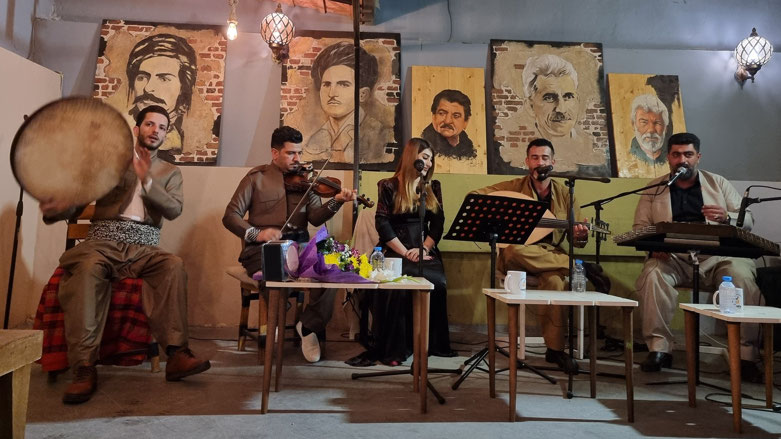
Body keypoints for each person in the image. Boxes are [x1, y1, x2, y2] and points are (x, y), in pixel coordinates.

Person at [40, 105, 210, 404]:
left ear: (166, 134)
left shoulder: (170, 172)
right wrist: (57, 208)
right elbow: (75, 204)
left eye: (161, 126)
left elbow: (173, 209)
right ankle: (84, 367)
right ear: (137, 129)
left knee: (173, 265)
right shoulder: (108, 162)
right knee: (89, 266)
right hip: (102, 242)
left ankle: (177, 356)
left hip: (144, 246)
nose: (155, 130)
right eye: (149, 124)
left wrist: (147, 181)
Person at [633, 132, 764, 382]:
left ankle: (746, 355)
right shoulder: (654, 188)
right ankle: (659, 349)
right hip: (674, 257)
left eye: (688, 154)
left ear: (698, 157)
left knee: (743, 279)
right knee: (652, 275)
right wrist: (652, 246)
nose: (682, 160)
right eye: (676, 155)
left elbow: (749, 220)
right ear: (668, 158)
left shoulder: (718, 183)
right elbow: (640, 227)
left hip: (719, 256)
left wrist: (726, 218)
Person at [222, 126, 356, 363]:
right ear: (275, 153)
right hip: (262, 250)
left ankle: (308, 326)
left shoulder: (307, 181)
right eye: (291, 153)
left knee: (337, 266)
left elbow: (315, 217)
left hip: (301, 248)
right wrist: (256, 234)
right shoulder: (256, 178)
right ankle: (274, 322)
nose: (298, 159)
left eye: (300, 153)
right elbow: (230, 216)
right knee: (274, 267)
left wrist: (336, 202)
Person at [472, 138, 589, 374]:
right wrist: (502, 215)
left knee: (556, 283)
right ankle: (573, 265)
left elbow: (578, 240)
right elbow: (476, 196)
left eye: (545, 158)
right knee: (515, 249)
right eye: (535, 158)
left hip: (549, 256)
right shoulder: (514, 186)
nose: (539, 162)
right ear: (527, 162)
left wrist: (581, 236)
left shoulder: (566, 195)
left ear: (553, 162)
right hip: (519, 255)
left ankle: (555, 350)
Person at [347, 138, 455, 367]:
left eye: (431, 159)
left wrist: (424, 248)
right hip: (396, 248)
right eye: (424, 157)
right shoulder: (388, 185)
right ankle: (395, 347)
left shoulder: (433, 187)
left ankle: (430, 344)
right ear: (411, 156)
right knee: (396, 286)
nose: (428, 163)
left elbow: (437, 224)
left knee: (437, 282)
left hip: (424, 248)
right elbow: (383, 224)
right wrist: (406, 252)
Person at [304, 41, 394, 164]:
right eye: (327, 84)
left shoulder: (380, 135)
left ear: (363, 94)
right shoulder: (314, 139)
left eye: (343, 84)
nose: (332, 93)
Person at [521, 54, 605, 174]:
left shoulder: (591, 149)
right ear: (530, 106)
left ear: (577, 101)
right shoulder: (523, 151)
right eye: (549, 97)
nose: (561, 109)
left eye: (568, 96)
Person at [125, 33, 198, 161]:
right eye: (142, 77)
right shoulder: (120, 134)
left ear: (183, 88)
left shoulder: (177, 139)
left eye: (163, 79)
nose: (148, 88)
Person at [420, 89, 476, 160]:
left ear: (466, 122)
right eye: (442, 113)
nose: (447, 121)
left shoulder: (469, 150)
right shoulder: (423, 146)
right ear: (433, 116)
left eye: (456, 116)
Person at [628, 94, 668, 165]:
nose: (651, 130)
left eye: (657, 123)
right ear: (633, 125)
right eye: (644, 122)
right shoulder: (628, 155)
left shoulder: (671, 157)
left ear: (665, 127)